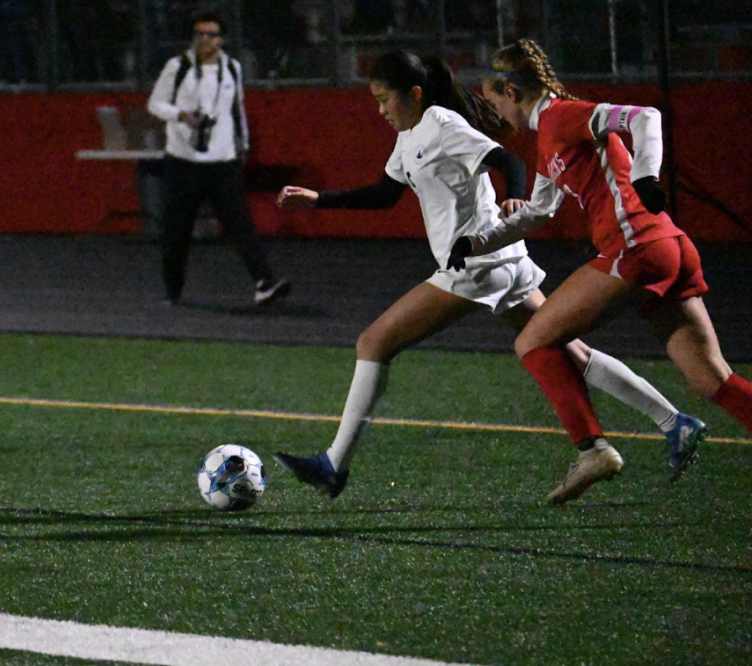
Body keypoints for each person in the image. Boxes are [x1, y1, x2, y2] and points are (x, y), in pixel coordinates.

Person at [273, 51, 706, 505]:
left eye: (385, 100)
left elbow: (507, 162)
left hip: (476, 266)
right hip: (501, 261)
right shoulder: (409, 135)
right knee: (568, 351)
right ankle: (672, 422)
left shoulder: (441, 122)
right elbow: (384, 196)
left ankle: (333, 466)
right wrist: (318, 200)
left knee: (374, 342)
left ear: (414, 95)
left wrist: (516, 199)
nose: (380, 110)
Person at [448, 38, 752, 479]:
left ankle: (592, 449)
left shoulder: (561, 116)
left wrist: (647, 174)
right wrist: (477, 243)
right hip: (668, 248)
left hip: (637, 247)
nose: (498, 115)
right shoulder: (548, 138)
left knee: (532, 341)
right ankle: (648, 434)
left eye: (495, 103)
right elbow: (537, 212)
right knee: (711, 379)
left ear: (512, 93)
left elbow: (645, 116)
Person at [146, 11, 290, 307]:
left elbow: (237, 109)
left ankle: (265, 283)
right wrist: (181, 115)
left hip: (222, 161)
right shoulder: (179, 66)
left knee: (241, 225)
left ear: (221, 39)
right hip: (183, 160)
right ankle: (173, 290)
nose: (203, 39)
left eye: (210, 34)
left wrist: (243, 145)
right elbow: (155, 104)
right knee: (176, 231)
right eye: (199, 33)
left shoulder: (232, 69)